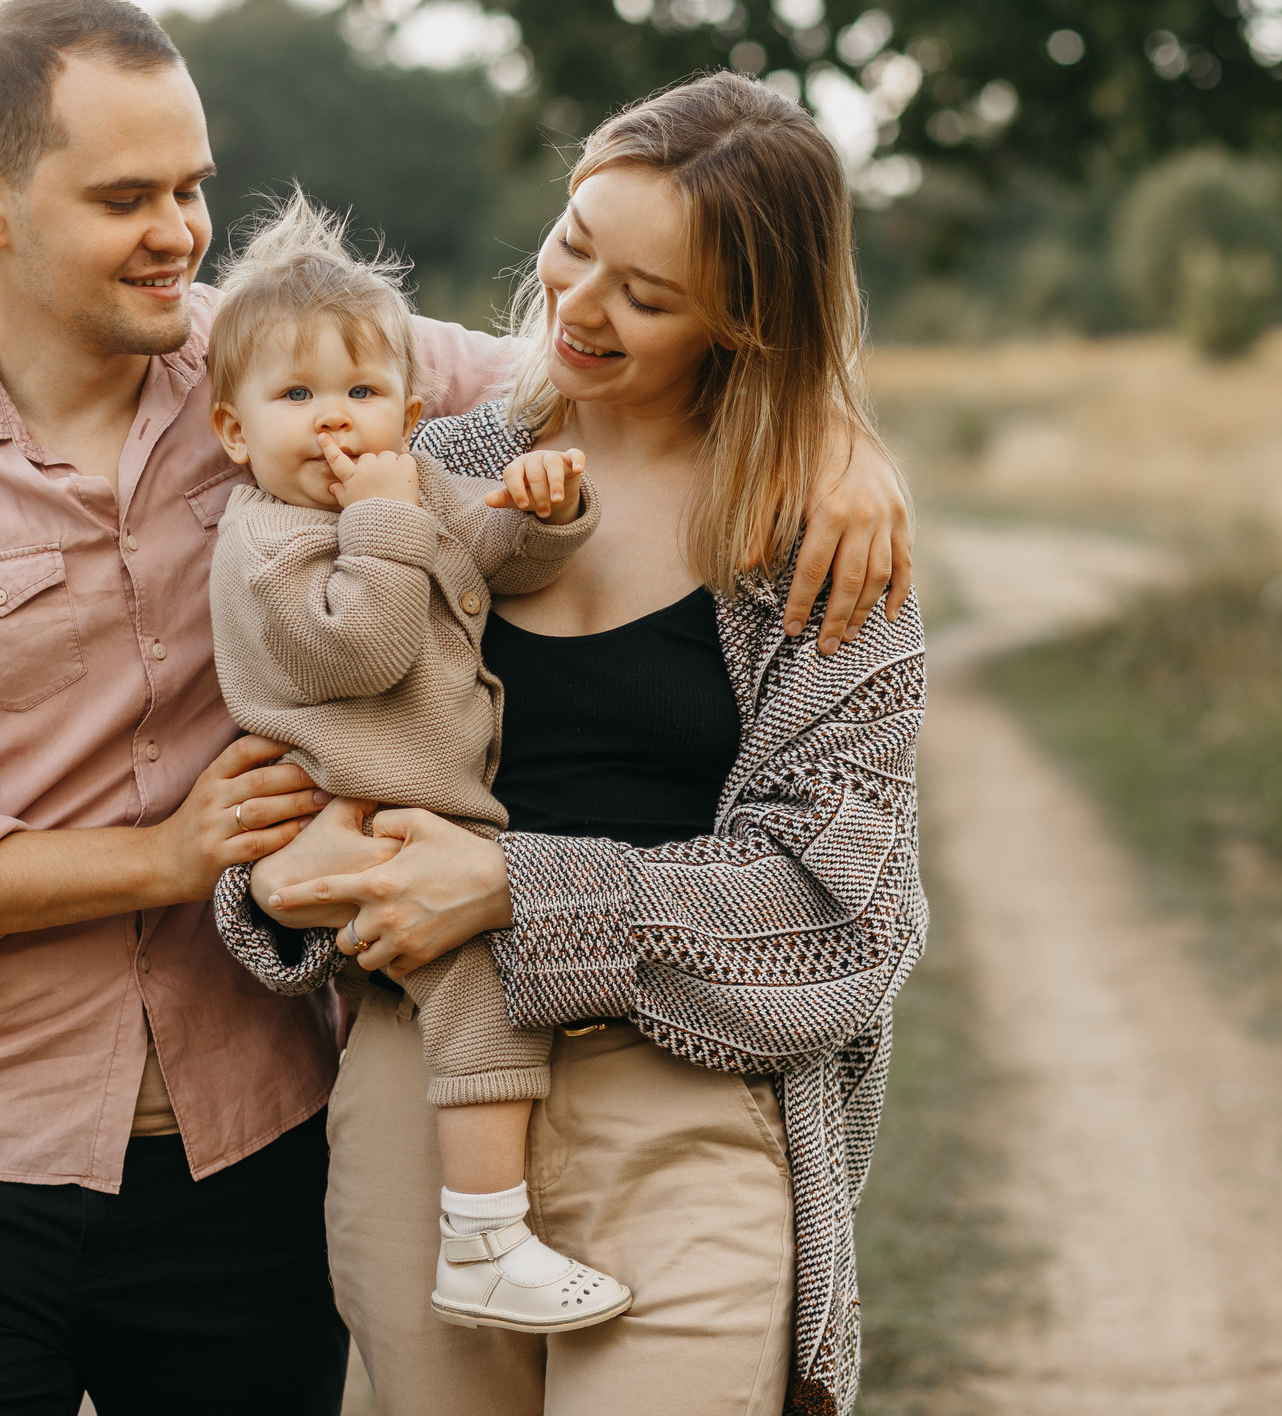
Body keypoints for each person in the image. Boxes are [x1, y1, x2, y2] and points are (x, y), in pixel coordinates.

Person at [0, 0, 914, 1416]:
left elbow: (603, 367)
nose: (178, 231)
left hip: (269, 1143)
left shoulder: (306, 358)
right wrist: (176, 859)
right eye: (127, 196)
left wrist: (835, 428)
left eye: (192, 187)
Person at [222, 72, 929, 1416]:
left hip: (692, 1110)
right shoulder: (430, 464)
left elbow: (849, 912)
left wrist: (514, 885)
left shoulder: (816, 541)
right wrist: (273, 875)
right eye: (574, 239)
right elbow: (302, 729)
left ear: (747, 317)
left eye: (647, 294)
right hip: (419, 1097)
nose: (577, 303)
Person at [203, 192, 635, 1333]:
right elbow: (368, 641)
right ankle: (485, 1237)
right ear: (235, 432)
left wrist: (545, 513)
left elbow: (488, 566)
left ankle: (493, 1224)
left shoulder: (401, 485)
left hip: (427, 814)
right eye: (296, 398)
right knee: (485, 992)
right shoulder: (265, 543)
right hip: (362, 823)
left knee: (481, 994)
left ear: (409, 403)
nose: (334, 424)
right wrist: (388, 518)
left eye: (360, 393)